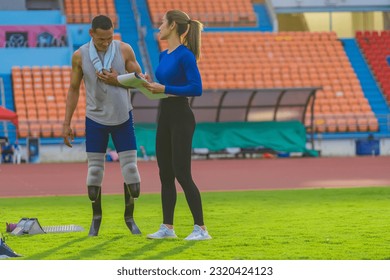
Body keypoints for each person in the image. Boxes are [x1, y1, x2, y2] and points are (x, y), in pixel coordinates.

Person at [62, 15, 142, 236]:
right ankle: (96, 218)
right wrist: (66, 122)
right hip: (95, 119)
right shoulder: (79, 56)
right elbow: (74, 88)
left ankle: (130, 217)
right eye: (101, 40)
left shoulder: (124, 49)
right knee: (95, 172)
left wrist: (119, 79)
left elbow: (141, 80)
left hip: (123, 118)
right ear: (91, 34)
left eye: (109, 38)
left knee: (132, 174)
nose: (106, 43)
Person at [143, 10, 211, 240]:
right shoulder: (163, 55)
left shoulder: (186, 56)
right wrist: (148, 84)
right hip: (164, 115)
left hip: (181, 115)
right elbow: (163, 86)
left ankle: (201, 229)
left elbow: (196, 88)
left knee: (182, 173)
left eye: (162, 22)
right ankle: (167, 228)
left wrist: (164, 89)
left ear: (172, 26)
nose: (159, 26)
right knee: (165, 174)